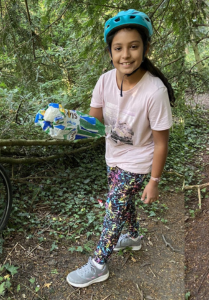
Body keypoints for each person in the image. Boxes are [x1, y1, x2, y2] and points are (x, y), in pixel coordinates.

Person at [66, 9, 174, 288]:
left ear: (145, 48)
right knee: (123, 204)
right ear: (110, 52)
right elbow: (94, 124)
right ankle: (134, 237)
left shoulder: (155, 91)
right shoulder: (104, 81)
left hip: (138, 162)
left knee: (114, 208)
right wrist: (66, 126)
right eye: (118, 48)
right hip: (112, 156)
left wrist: (154, 181)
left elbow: (161, 142)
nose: (125, 55)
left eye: (133, 46)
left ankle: (98, 264)